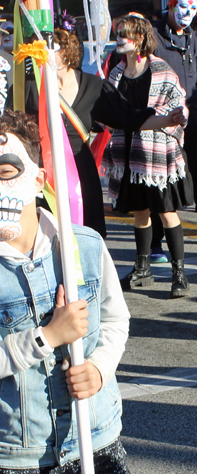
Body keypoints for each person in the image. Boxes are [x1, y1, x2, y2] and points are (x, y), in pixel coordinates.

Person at [0, 108, 135, 474]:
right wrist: (48, 336)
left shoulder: (83, 246)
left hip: (96, 436)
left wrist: (100, 371)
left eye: (7, 170)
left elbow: (114, 320)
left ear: (38, 179)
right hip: (19, 454)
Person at [18, 16, 188, 239]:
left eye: (51, 49)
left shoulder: (92, 86)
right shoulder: (29, 88)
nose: (43, 55)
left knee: (86, 233)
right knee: (47, 236)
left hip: (80, 169)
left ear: (66, 52)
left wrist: (168, 121)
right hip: (42, 170)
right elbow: (13, 129)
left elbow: (130, 118)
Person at [103, 14, 193, 298]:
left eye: (125, 34)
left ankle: (179, 274)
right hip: (128, 152)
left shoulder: (161, 69)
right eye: (118, 33)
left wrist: (179, 115)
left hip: (157, 155)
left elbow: (179, 103)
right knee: (140, 211)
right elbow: (108, 109)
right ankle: (142, 270)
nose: (120, 39)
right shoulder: (116, 72)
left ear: (140, 39)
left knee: (166, 211)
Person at [153, 1, 197, 207]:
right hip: (166, 118)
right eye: (183, 7)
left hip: (193, 114)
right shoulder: (155, 35)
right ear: (170, 6)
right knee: (167, 176)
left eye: (194, 8)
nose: (188, 13)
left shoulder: (192, 38)